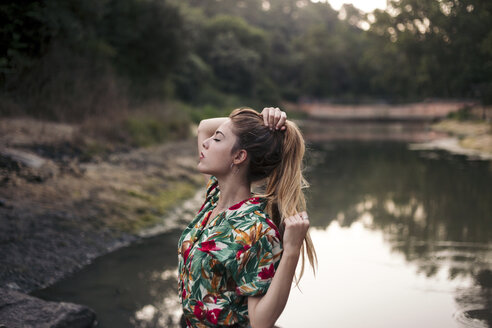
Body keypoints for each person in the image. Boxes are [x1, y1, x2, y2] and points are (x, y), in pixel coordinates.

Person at [177, 107, 317, 327]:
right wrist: (263, 124)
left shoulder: (256, 229)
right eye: (213, 138)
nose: (206, 143)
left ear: (239, 156)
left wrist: (291, 251)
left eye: (218, 139)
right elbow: (204, 126)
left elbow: (261, 322)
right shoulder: (215, 197)